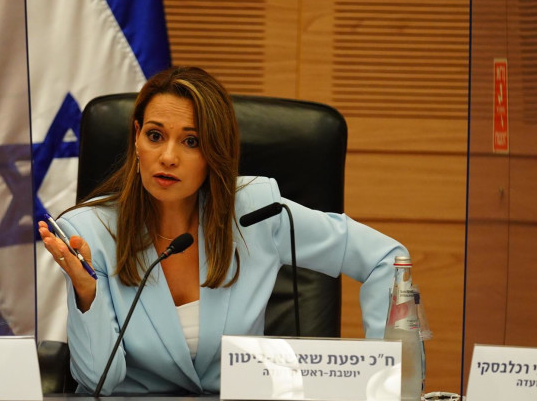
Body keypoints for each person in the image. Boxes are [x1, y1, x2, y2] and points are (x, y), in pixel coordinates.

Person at [37, 66, 408, 395]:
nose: (168, 156)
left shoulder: (257, 213)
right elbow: (99, 383)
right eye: (155, 135)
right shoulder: (90, 232)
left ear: (215, 151)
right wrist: (86, 292)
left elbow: (386, 259)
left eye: (191, 141)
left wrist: (383, 381)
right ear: (136, 137)